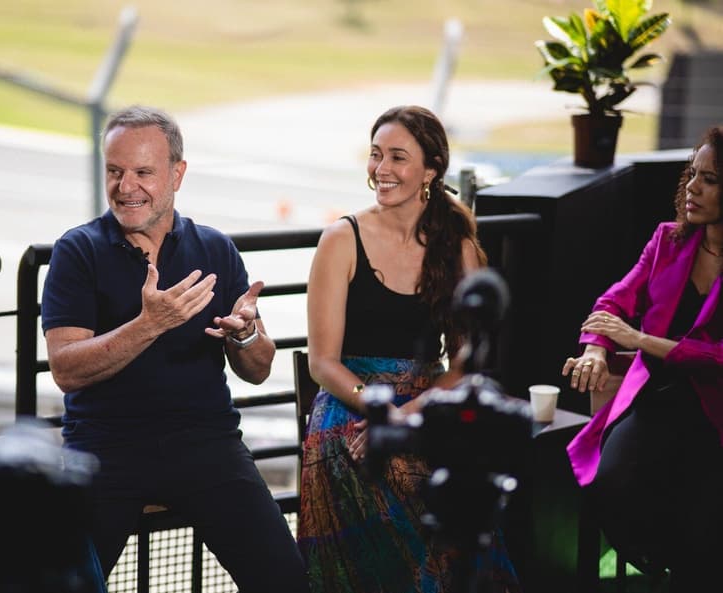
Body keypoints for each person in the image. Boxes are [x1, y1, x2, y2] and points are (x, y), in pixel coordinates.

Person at [40, 105, 309, 593]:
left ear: (177, 174)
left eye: (143, 172)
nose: (126, 187)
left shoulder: (215, 249)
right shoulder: (77, 251)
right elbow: (66, 369)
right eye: (115, 172)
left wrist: (244, 335)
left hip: (206, 443)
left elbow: (258, 370)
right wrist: (149, 325)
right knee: (62, 584)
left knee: (286, 579)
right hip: (105, 448)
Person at [297, 105, 521, 593]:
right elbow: (322, 362)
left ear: (431, 170)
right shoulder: (341, 239)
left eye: (398, 157)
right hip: (349, 400)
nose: (382, 169)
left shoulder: (455, 244)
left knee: (454, 477)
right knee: (367, 459)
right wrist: (381, 412)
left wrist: (409, 414)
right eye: (376, 155)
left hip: (428, 399)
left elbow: (465, 357)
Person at [563, 125, 723, 591]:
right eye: (693, 174)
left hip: (715, 413)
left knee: (704, 527)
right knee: (614, 481)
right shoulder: (667, 241)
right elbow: (613, 302)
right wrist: (596, 348)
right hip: (656, 400)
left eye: (711, 179)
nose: (692, 187)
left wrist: (639, 339)